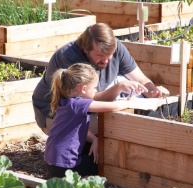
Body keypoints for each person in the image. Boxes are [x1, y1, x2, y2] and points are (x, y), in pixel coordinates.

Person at [32, 23, 169, 135]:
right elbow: (86, 102)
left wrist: (152, 91)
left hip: (89, 100)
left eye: (109, 55)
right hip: (52, 114)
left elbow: (140, 79)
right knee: (116, 124)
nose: (106, 60)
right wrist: (118, 88)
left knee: (133, 94)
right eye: (99, 55)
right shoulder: (69, 59)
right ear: (86, 49)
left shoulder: (116, 48)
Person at [45, 63, 136, 178]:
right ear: (83, 89)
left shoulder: (66, 102)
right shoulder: (79, 104)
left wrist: (94, 139)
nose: (95, 91)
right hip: (65, 167)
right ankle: (82, 179)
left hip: (53, 163)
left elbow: (75, 129)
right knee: (103, 165)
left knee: (92, 151)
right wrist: (129, 102)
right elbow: (112, 106)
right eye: (94, 88)